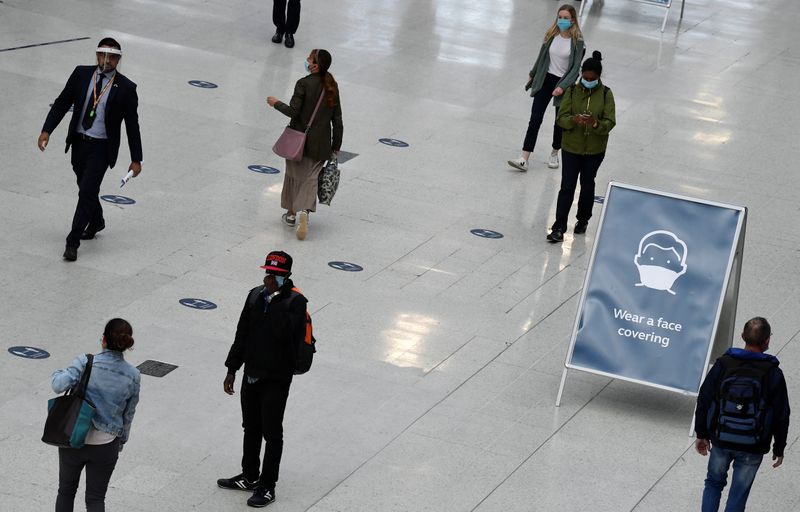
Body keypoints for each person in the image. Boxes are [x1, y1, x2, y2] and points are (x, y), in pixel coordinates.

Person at [38, 37, 142, 262]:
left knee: (86, 191)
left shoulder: (125, 88)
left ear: (118, 59)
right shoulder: (81, 74)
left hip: (102, 148)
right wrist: (47, 130)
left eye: (113, 57)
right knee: (84, 186)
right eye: (104, 55)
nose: (108, 60)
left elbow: (132, 125)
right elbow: (62, 102)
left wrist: (137, 159)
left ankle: (72, 241)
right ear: (97, 56)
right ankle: (96, 220)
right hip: (79, 142)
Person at [218, 251, 308, 508]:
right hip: (251, 374)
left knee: (272, 433)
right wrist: (232, 368)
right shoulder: (255, 295)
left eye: (276, 275)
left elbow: (287, 338)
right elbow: (242, 332)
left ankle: (268, 486)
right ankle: (249, 476)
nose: (270, 278)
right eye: (268, 272)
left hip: (277, 378)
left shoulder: (295, 303)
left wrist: (275, 302)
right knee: (251, 427)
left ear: (287, 276)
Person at [694, 317, 790, 512]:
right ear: (767, 342)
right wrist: (778, 448)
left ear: (742, 336)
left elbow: (704, 398)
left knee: (713, 483)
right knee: (739, 492)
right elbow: (782, 414)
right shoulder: (773, 373)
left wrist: (701, 434)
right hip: (753, 445)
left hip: (721, 438)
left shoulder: (724, 364)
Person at [51, 318, 141, 512]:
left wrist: (59, 372)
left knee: (66, 491)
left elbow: (58, 385)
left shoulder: (85, 361)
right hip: (106, 444)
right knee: (96, 498)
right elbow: (129, 412)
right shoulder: (133, 375)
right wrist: (121, 440)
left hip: (73, 437)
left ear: (103, 340)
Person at [267, 49, 343, 240]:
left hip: (298, 140)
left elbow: (293, 112)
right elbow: (338, 120)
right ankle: (305, 212)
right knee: (311, 178)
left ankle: (291, 214)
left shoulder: (303, 84)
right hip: (321, 144)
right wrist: (336, 145)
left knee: (294, 175)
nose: (306, 61)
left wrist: (275, 103)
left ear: (315, 65)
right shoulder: (332, 85)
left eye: (309, 59)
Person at [546, 51, 615, 243]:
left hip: (594, 150)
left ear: (598, 78)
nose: (588, 80)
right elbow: (561, 118)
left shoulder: (607, 94)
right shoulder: (572, 91)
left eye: (592, 79)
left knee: (587, 184)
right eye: (585, 77)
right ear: (581, 75)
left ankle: (583, 219)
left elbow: (610, 122)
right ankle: (559, 227)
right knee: (567, 186)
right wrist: (573, 120)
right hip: (571, 147)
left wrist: (595, 124)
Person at [508, 5, 584, 172]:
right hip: (545, 79)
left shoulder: (578, 41)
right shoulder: (551, 36)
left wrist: (562, 87)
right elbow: (541, 57)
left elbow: (575, 69)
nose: (562, 20)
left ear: (572, 20)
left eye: (565, 17)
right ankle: (524, 158)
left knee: (559, 122)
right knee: (535, 119)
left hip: (563, 83)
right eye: (560, 17)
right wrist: (533, 73)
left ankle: (555, 152)